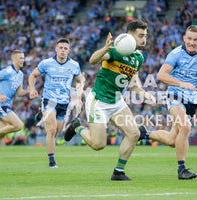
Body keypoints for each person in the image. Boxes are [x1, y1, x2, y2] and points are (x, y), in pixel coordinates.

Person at [64, 19, 156, 180]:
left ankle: (118, 172)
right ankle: (77, 127)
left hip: (117, 101)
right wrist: (105, 48)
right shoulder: (115, 51)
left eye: (145, 36)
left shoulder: (138, 57)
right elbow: (93, 60)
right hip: (99, 101)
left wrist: (144, 93)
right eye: (141, 35)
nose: (144, 39)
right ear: (129, 36)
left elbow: (133, 83)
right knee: (98, 145)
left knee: (134, 134)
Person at [140, 25, 197, 179]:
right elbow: (161, 75)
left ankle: (143, 133)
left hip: (192, 102)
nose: (192, 42)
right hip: (174, 96)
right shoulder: (176, 54)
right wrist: (181, 84)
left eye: (195, 40)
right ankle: (181, 170)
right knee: (185, 126)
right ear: (184, 38)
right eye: (189, 39)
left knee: (172, 140)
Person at [29, 38, 83, 168]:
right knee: (52, 130)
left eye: (65, 48)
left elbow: (80, 81)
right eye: (61, 48)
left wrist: (79, 98)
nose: (63, 51)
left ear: (68, 51)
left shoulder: (74, 65)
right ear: (56, 49)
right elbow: (32, 75)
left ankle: (42, 115)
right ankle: (52, 161)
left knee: (56, 131)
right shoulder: (46, 63)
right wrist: (32, 88)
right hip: (49, 100)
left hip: (63, 103)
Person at [0, 50, 30, 161]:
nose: (23, 60)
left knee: (2, 134)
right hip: (0, 104)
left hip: (5, 105)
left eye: (23, 58)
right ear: (14, 59)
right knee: (18, 125)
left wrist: (28, 91)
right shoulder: (7, 71)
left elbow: (19, 93)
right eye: (21, 58)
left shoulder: (20, 74)